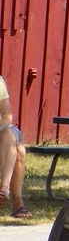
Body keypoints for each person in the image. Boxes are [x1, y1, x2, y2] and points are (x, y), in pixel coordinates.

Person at [0, 75, 31, 219]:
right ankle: (17, 203)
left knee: (8, 135)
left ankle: (4, 189)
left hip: (3, 128)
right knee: (19, 150)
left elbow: (7, 116)